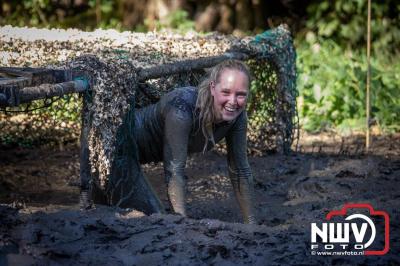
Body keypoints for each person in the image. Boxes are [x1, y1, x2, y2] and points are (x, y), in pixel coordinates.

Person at [133, 59, 257, 224]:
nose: (233, 102)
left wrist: (252, 224)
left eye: (240, 94)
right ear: (213, 88)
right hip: (119, 150)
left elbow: (240, 169)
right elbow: (174, 171)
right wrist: (183, 224)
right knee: (156, 219)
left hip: (140, 158)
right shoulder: (182, 109)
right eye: (226, 92)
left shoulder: (238, 117)